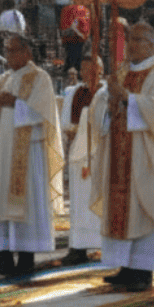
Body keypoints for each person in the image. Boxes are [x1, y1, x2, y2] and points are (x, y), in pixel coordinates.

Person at [88, 21, 154, 293]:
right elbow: (101, 109)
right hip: (118, 153)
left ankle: (143, 271)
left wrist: (128, 98)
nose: (131, 45)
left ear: (152, 45)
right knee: (122, 211)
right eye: (129, 39)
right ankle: (126, 267)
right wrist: (107, 105)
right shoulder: (121, 72)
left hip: (146, 156)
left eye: (138, 39)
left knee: (144, 209)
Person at [0, 33, 65, 279]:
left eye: (14, 50)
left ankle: (26, 259)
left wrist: (17, 103)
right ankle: (2, 258)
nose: (9, 55)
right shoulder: (1, 80)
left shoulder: (40, 78)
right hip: (0, 150)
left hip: (26, 152)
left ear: (28, 52)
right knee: (0, 204)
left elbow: (45, 115)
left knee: (27, 204)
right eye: (7, 50)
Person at [60, 55, 105, 265]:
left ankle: (105, 244)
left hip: (100, 156)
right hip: (79, 155)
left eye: (91, 69)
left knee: (100, 202)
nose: (87, 73)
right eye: (84, 68)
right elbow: (67, 123)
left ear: (100, 70)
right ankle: (78, 247)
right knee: (79, 203)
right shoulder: (75, 92)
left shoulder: (106, 92)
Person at [59, 1, 91, 73]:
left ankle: (70, 70)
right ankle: (74, 70)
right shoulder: (84, 10)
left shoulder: (67, 9)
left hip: (70, 37)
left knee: (71, 55)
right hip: (78, 37)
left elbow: (64, 25)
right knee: (76, 56)